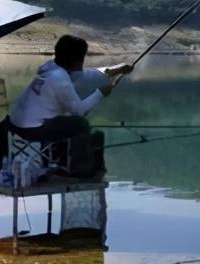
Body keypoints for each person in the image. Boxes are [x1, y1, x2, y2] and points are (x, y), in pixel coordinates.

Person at [10, 35, 132, 171]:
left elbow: (87, 75)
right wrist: (100, 93)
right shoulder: (60, 79)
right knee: (80, 124)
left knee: (65, 121)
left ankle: (59, 160)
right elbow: (79, 112)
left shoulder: (51, 67)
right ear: (76, 60)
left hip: (16, 123)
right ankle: (78, 168)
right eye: (83, 58)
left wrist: (117, 69)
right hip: (32, 129)